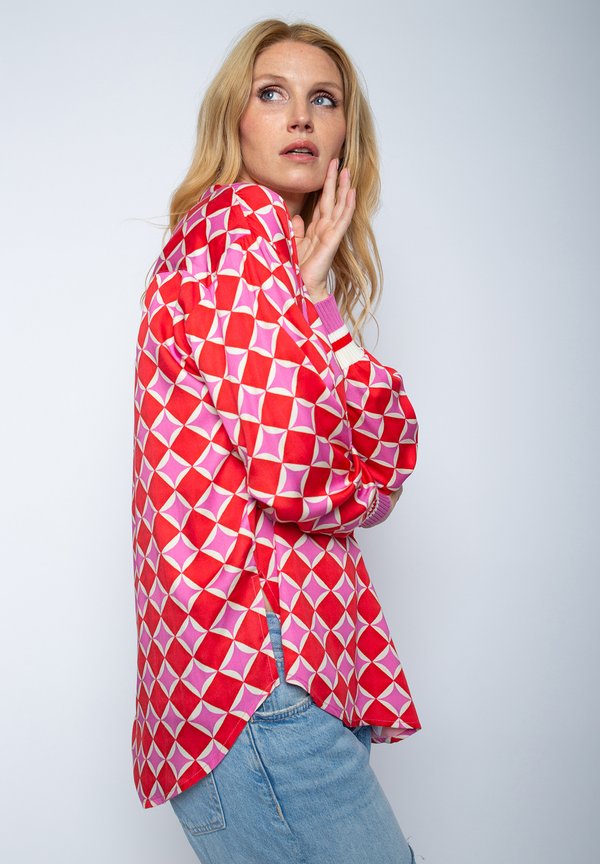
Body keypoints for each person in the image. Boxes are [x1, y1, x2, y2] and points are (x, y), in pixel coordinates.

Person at [130, 17, 421, 863]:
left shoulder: (264, 263)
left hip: (257, 679)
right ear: (235, 120)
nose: (300, 116)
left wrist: (319, 295)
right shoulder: (238, 230)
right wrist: (370, 489)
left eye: (323, 100)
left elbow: (376, 444)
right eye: (272, 94)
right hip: (259, 674)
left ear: (344, 134)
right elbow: (301, 476)